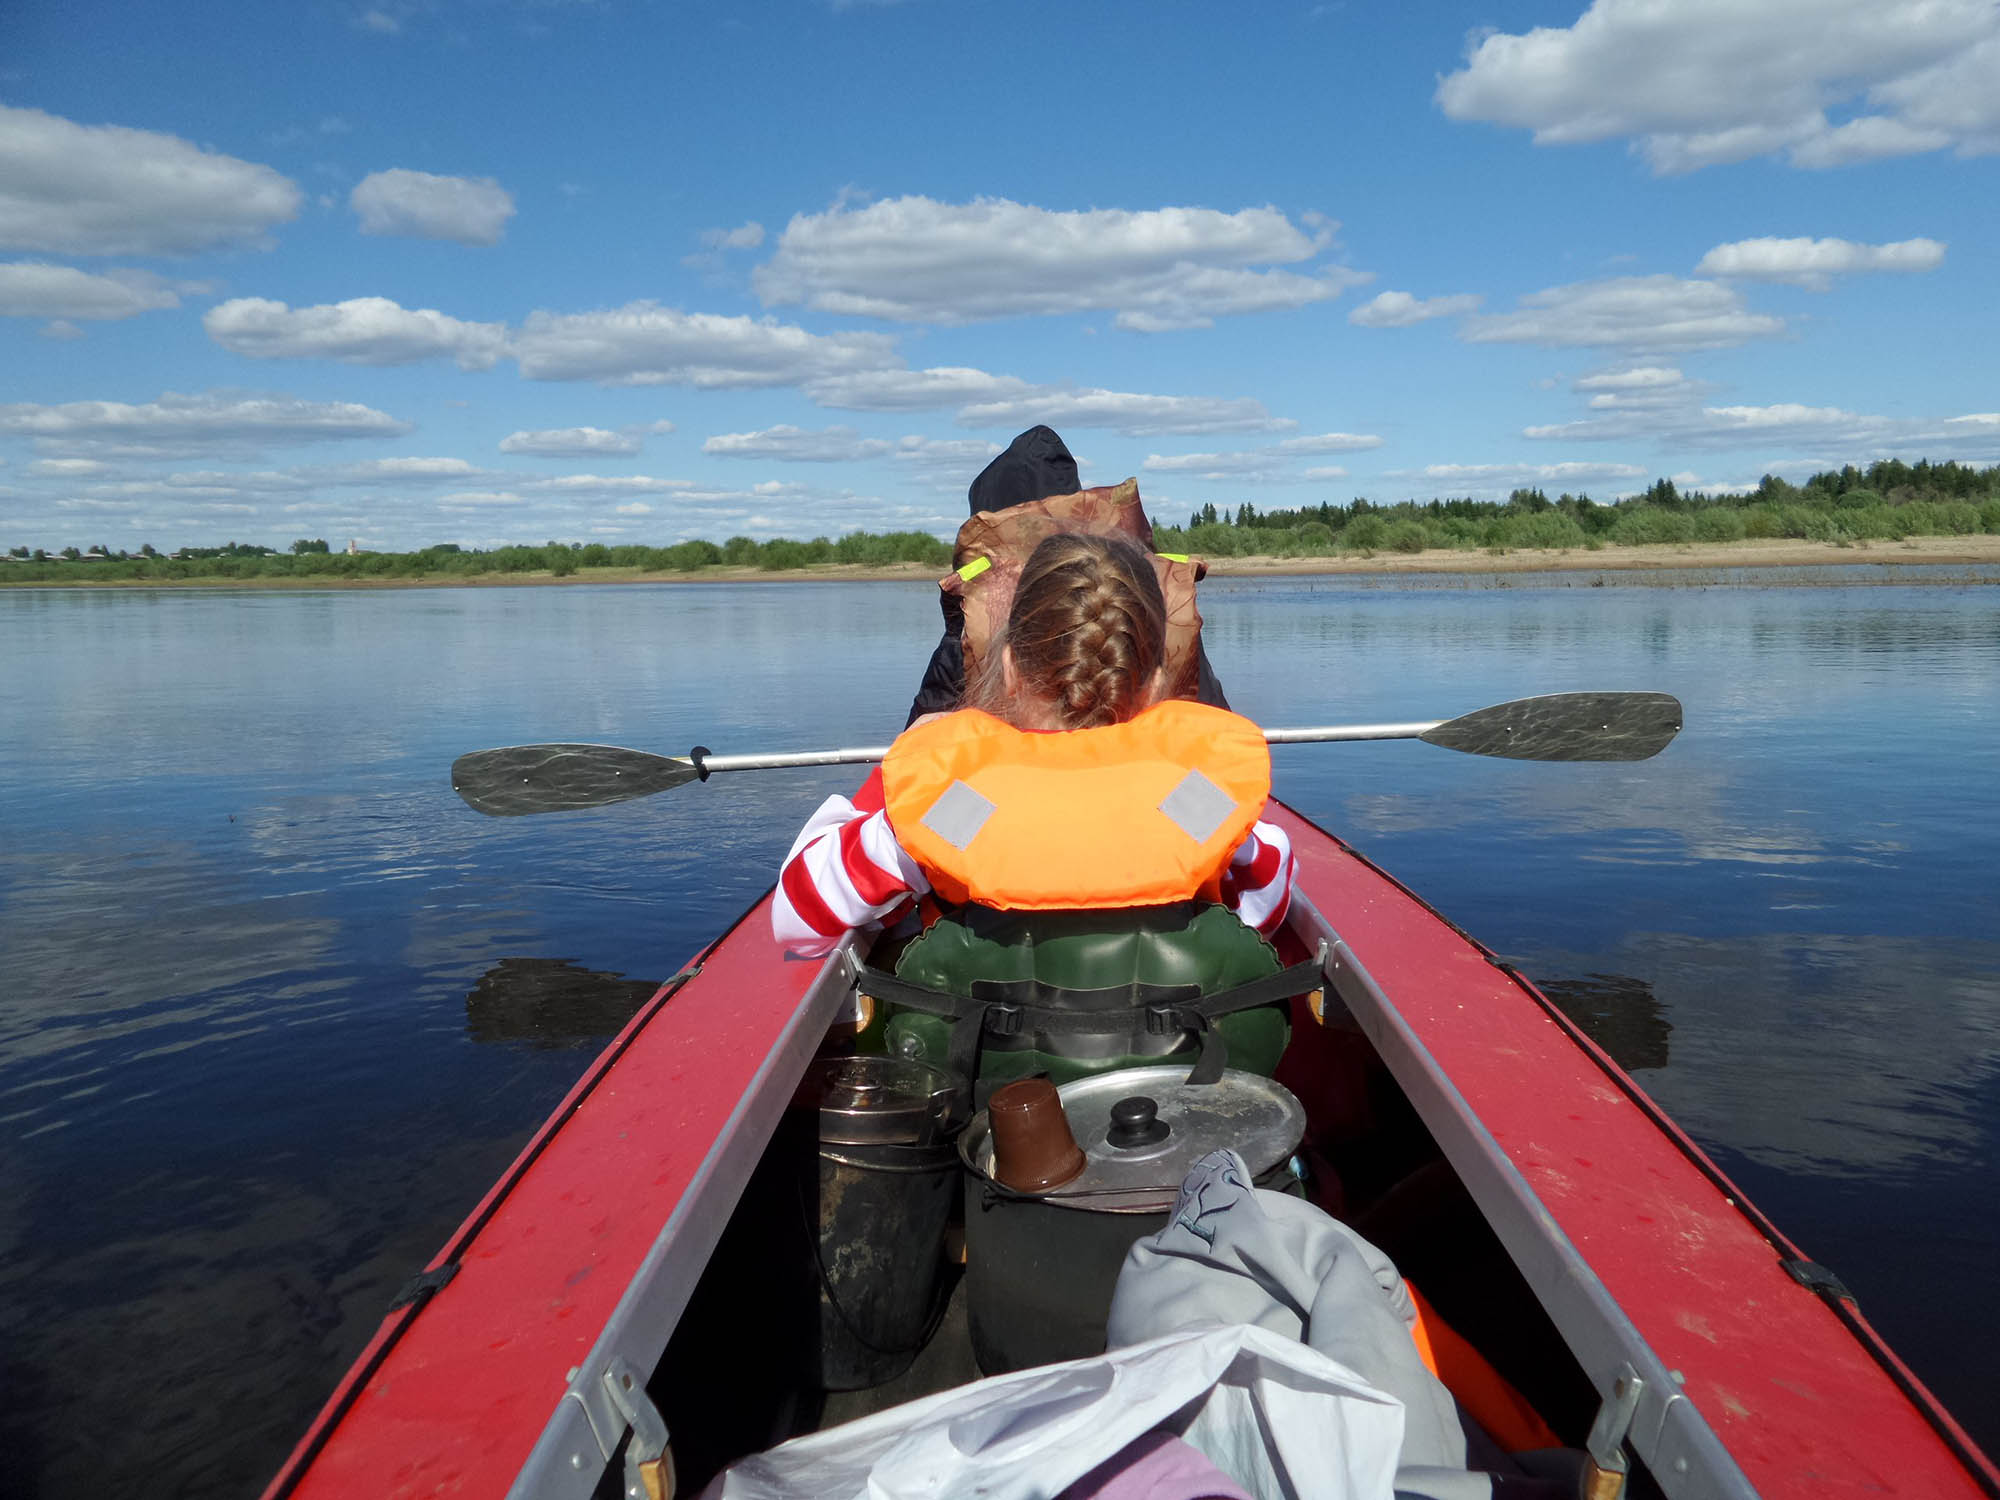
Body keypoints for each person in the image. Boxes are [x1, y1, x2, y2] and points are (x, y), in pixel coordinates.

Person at [775, 532, 1291, 955]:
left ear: (1010, 669)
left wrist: (870, 801)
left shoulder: (951, 805)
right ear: (1156, 682)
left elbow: (798, 918)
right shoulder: (1197, 801)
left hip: (984, 1066)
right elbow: (1263, 914)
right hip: (1175, 1064)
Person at [905, 425, 1229, 725]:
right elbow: (1212, 716)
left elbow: (921, 738)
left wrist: (955, 633)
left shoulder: (979, 620)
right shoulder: (1143, 596)